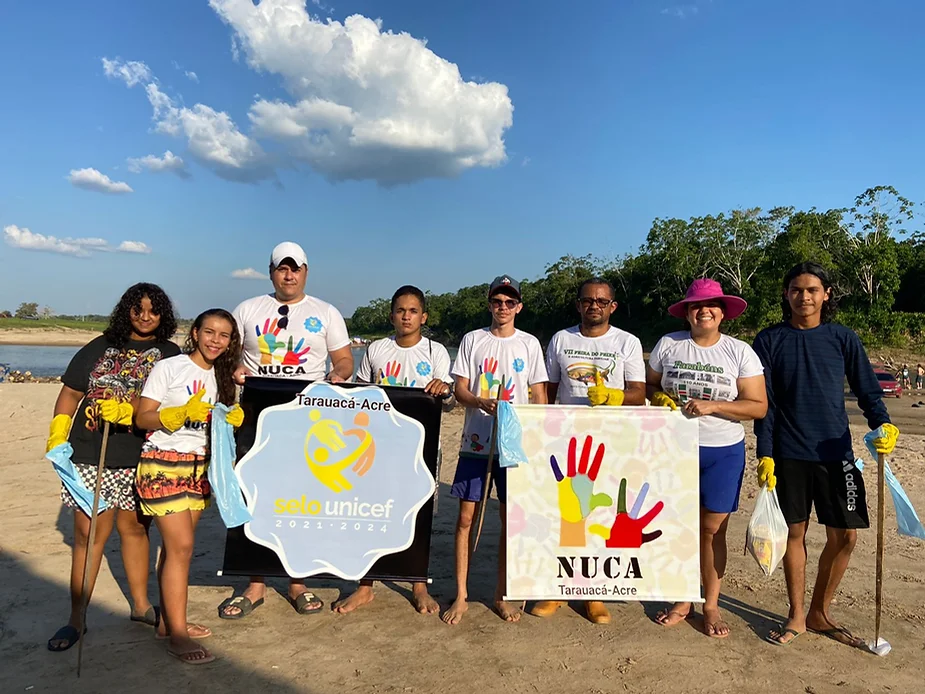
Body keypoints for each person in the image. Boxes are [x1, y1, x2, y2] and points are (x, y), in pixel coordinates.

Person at [754, 262, 899, 647]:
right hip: (788, 454)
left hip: (837, 452)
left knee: (846, 537)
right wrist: (764, 453)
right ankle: (797, 615)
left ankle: (821, 609)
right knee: (794, 534)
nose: (804, 297)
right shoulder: (769, 340)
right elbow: (764, 404)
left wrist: (882, 426)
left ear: (826, 294)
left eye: (812, 290)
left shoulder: (843, 338)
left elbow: (868, 391)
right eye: (797, 290)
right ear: (786, 295)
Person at [219, 241, 353, 619]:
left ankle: (297, 581)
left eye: (295, 268)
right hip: (254, 416)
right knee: (253, 495)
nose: (289, 274)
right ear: (271, 271)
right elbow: (227, 356)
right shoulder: (247, 309)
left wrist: (338, 374)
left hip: (306, 420)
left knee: (300, 500)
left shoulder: (326, 313)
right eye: (282, 268)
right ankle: (256, 582)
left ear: (306, 272)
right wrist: (233, 373)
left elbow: (343, 359)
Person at [45, 283, 181, 651]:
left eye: (154, 310)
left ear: (163, 315)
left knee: (136, 531)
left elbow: (174, 404)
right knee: (89, 537)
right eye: (138, 309)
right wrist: (59, 431)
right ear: (127, 311)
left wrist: (132, 410)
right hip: (91, 452)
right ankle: (77, 618)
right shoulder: (99, 346)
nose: (145, 316)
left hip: (142, 455)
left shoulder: (170, 355)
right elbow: (71, 393)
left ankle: (140, 606)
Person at [647, 278, 767, 639]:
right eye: (697, 305)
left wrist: (713, 406)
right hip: (672, 448)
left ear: (723, 312)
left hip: (723, 451)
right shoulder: (668, 345)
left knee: (713, 529)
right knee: (680, 527)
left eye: (712, 305)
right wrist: (660, 399)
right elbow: (649, 387)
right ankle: (683, 600)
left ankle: (710, 605)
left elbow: (758, 406)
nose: (704, 310)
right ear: (686, 312)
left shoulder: (739, 351)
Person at [532, 277, 646, 625]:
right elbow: (547, 390)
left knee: (601, 514)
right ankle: (558, 586)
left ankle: (593, 591)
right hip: (567, 437)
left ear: (612, 306)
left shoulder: (627, 342)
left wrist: (614, 396)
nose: (594, 305)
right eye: (587, 300)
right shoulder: (561, 339)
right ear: (578, 305)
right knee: (565, 512)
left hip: (611, 438)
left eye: (601, 301)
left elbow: (639, 392)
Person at [335, 285, 453, 615]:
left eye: (413, 311)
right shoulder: (376, 350)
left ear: (423, 316)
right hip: (378, 448)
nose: (406, 316)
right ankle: (365, 586)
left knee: (418, 515)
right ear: (391, 315)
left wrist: (444, 390)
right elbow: (359, 394)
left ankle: (417, 585)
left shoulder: (436, 352)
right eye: (400, 310)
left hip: (423, 448)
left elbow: (450, 400)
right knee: (372, 515)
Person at [135, 309, 244, 664]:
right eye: (209, 332)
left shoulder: (224, 378)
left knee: (173, 550)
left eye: (223, 335)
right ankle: (178, 636)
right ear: (195, 333)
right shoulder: (169, 367)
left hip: (199, 469)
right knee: (182, 546)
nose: (215, 340)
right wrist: (176, 414)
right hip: (162, 464)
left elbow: (219, 427)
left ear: (231, 342)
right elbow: (143, 416)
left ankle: (168, 622)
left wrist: (230, 420)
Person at [442, 275, 549, 626]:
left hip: (513, 446)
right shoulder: (473, 340)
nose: (503, 308)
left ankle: (501, 594)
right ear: (489, 304)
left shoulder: (530, 344)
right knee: (465, 519)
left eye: (509, 302)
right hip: (476, 441)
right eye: (497, 302)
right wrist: (479, 401)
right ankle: (461, 594)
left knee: (509, 521)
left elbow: (539, 395)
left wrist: (539, 436)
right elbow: (460, 389)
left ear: (519, 306)